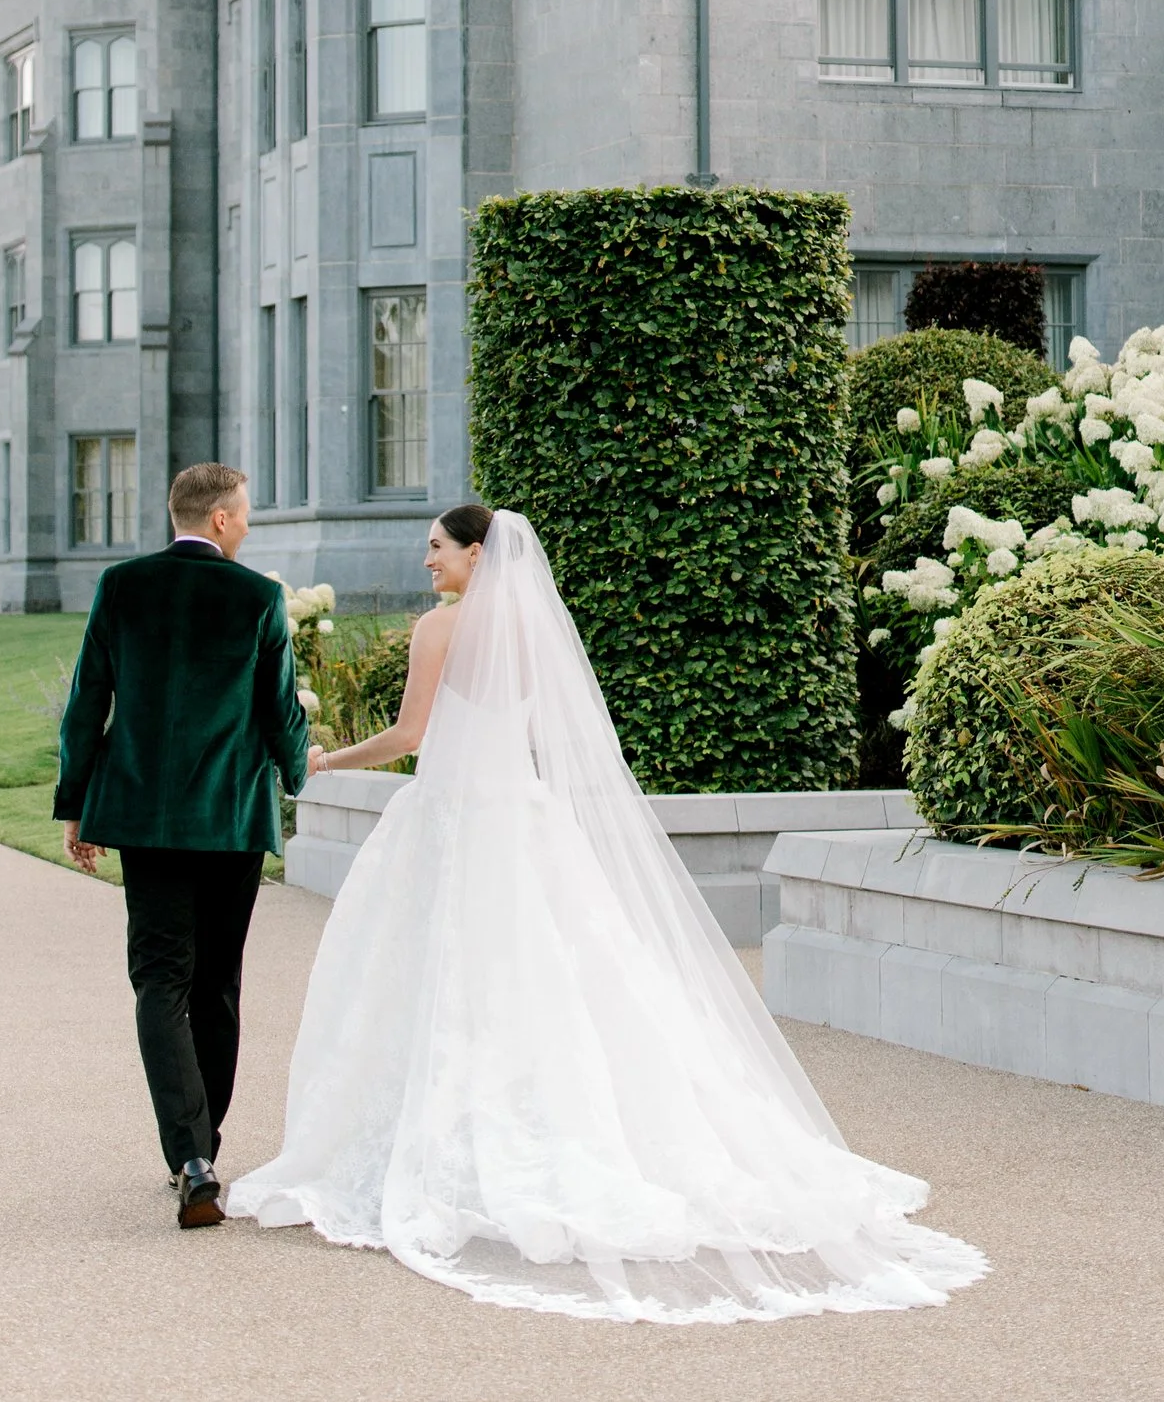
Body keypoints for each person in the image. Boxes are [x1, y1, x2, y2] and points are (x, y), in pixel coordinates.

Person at [223, 500, 986, 1324]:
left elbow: (411, 735)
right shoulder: (529, 634)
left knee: (441, 981)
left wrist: (325, 758)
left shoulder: (438, 631)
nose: (427, 561)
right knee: (553, 979)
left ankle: (458, 1146)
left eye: (438, 547)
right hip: (523, 817)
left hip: (452, 819)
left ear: (479, 555)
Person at [54, 458, 309, 1229]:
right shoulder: (259, 596)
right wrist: (298, 776)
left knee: (160, 980)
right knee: (218, 985)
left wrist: (76, 804)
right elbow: (281, 713)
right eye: (247, 512)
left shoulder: (122, 587)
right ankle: (206, 1149)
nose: (249, 523)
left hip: (147, 820)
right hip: (230, 820)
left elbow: (87, 701)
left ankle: (188, 1154)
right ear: (223, 519)